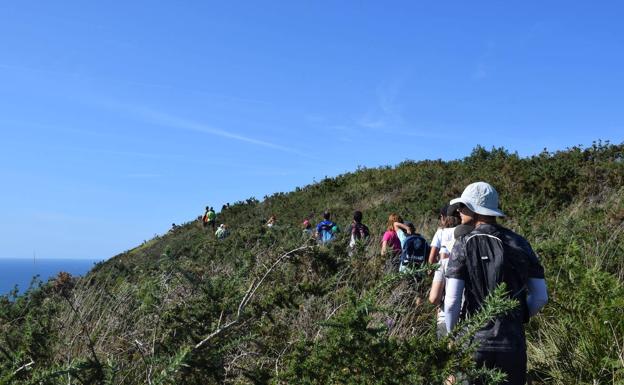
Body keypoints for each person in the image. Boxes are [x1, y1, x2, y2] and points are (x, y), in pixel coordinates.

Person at [444, 182, 548, 385]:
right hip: (512, 344)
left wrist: (452, 336)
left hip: (473, 342)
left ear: (474, 209)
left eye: (462, 207)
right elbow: (541, 296)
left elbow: (452, 301)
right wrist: (517, 316)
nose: (459, 212)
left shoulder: (463, 243)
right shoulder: (520, 242)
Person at [429, 223, 474, 337]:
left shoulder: (443, 264)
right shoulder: (480, 263)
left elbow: (434, 298)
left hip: (445, 319)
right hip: (474, 320)